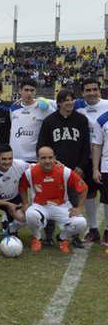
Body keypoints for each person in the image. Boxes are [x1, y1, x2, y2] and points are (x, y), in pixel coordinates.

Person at [20, 147, 87, 253]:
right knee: (30, 214)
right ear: (37, 159)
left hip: (62, 206)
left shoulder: (65, 171)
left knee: (81, 223)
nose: (47, 161)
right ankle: (37, 238)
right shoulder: (30, 172)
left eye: (50, 157)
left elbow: (84, 188)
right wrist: (25, 203)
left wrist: (79, 208)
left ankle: (62, 238)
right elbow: (22, 187)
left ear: (55, 158)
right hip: (40, 206)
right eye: (43, 158)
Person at [75, 78, 108, 243]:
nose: (92, 93)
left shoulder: (107, 105)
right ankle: (93, 229)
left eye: (95, 89)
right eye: (88, 90)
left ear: (99, 90)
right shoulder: (78, 106)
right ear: (82, 93)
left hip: (105, 158)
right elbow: (55, 103)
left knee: (106, 196)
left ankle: (107, 231)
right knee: (88, 194)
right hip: (87, 158)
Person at [9, 79, 54, 164]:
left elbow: (59, 110)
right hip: (15, 158)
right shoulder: (14, 108)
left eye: (32, 90)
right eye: (26, 90)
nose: (29, 93)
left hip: (34, 159)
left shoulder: (43, 107)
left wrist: (44, 100)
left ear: (35, 92)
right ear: (20, 91)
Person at [90, 108, 108, 247]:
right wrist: (96, 169)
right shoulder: (102, 120)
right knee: (107, 201)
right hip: (107, 167)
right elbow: (97, 146)